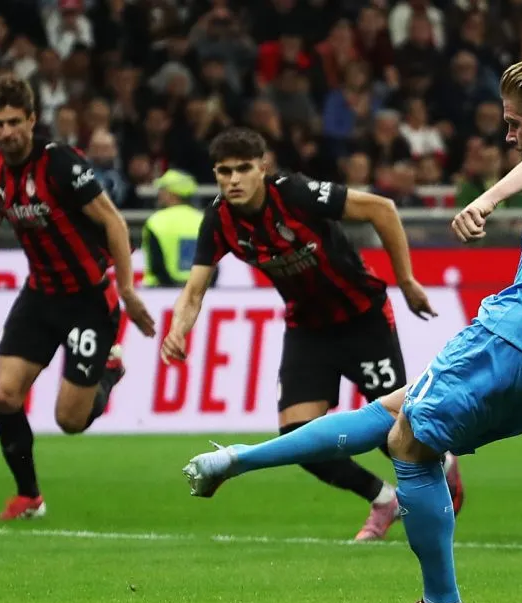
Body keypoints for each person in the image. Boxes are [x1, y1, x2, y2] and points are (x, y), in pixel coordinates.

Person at [182, 58, 522, 603]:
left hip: (519, 333)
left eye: (514, 125)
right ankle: (235, 460)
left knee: (408, 443)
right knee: (395, 412)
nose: (508, 135)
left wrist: (489, 198)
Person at [161, 126, 458, 542]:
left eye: (243, 169)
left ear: (261, 168)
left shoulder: (295, 194)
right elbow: (194, 290)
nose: (233, 180)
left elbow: (383, 209)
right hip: (308, 328)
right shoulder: (219, 220)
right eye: (224, 171)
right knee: (296, 437)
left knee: (394, 431)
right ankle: (382, 499)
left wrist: (406, 281)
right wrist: (178, 330)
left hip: (362, 318)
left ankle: (443, 466)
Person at [0, 74, 156, 520]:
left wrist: (126, 290)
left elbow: (114, 223)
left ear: (32, 119)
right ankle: (28, 495)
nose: (7, 132)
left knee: (70, 421)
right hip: (40, 296)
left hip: (88, 299)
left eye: (15, 122)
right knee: (5, 395)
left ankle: (109, 369)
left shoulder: (61, 164)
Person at [141, 169, 203, 288]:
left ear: (172, 193)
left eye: (162, 189)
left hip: (159, 291)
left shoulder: (156, 221)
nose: (159, 193)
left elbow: (156, 264)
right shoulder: (203, 220)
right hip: (199, 291)